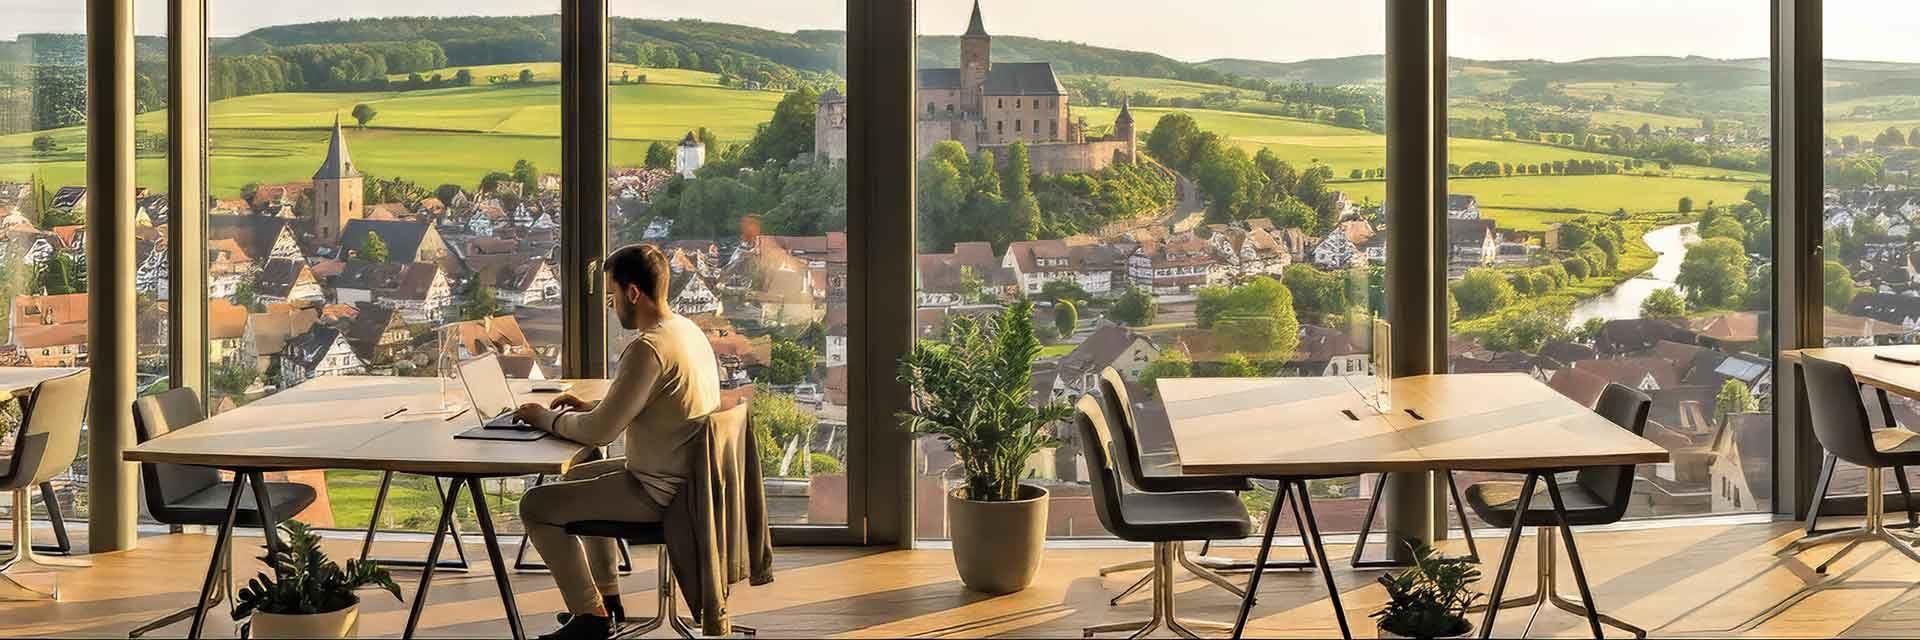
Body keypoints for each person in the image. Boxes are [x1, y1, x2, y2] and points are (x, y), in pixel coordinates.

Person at [513, 244, 720, 640]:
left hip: (661, 490)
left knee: (536, 505)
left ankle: (589, 620)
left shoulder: (647, 348)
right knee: (573, 481)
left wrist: (545, 417)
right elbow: (652, 402)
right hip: (684, 476)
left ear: (632, 293)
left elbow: (598, 433)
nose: (610, 306)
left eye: (611, 295)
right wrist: (595, 405)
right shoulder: (685, 331)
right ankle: (607, 603)